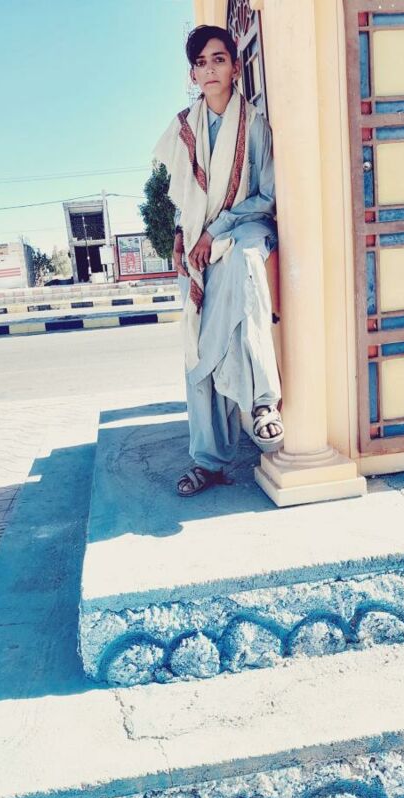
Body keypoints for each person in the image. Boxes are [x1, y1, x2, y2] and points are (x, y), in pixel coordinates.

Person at [153, 24, 284, 497]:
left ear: (235, 67)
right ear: (193, 74)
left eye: (219, 59)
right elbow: (183, 197)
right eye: (201, 62)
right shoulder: (185, 129)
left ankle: (264, 402)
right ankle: (208, 460)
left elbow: (266, 195)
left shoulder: (255, 125)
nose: (210, 69)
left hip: (244, 229)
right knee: (199, 349)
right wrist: (183, 234)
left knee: (245, 271)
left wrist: (217, 228)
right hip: (199, 244)